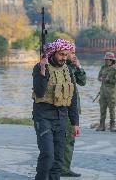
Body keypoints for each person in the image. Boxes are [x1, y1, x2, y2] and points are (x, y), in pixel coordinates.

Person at [32, 39, 80, 180]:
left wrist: (75, 122)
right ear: (53, 53)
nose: (64, 58)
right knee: (48, 155)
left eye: (66, 54)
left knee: (59, 159)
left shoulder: (68, 69)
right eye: (61, 54)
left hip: (62, 118)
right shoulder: (40, 67)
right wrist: (42, 70)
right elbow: (40, 92)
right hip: (43, 116)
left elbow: (73, 98)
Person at [61, 43, 86, 177]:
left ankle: (61, 167)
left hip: (72, 109)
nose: (74, 55)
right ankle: (63, 169)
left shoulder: (72, 67)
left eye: (74, 52)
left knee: (66, 140)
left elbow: (83, 82)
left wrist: (79, 67)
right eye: (71, 53)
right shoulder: (64, 68)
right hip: (67, 110)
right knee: (68, 140)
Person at [96, 52, 116, 132]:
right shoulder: (103, 67)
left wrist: (109, 80)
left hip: (111, 93)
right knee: (102, 109)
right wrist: (101, 79)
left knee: (112, 109)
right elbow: (98, 77)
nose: (106, 61)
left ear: (112, 60)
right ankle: (102, 126)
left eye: (108, 60)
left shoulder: (115, 69)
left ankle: (112, 125)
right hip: (103, 92)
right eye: (105, 59)